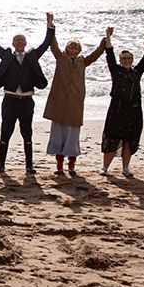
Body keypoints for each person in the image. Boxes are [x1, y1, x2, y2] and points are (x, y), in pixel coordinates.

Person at [0, 13, 56, 174]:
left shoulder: (32, 56)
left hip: (26, 101)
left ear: (26, 43)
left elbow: (46, 44)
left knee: (27, 132)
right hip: (10, 100)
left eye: (22, 40)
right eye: (17, 40)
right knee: (6, 132)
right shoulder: (7, 56)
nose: (20, 42)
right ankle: (1, 165)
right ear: (13, 44)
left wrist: (50, 24)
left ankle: (29, 165)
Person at [43, 26, 107, 175]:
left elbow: (95, 55)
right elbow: (53, 45)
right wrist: (51, 26)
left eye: (76, 49)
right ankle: (59, 165)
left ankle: (71, 165)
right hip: (59, 102)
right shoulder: (60, 58)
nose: (73, 51)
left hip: (74, 103)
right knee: (58, 134)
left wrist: (104, 42)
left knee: (73, 136)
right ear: (67, 49)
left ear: (79, 51)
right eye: (71, 48)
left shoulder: (82, 61)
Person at [99, 26, 144, 177]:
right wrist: (108, 36)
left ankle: (125, 167)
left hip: (133, 109)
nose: (127, 61)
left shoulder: (137, 72)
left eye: (129, 58)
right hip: (117, 109)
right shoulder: (115, 70)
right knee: (112, 137)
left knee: (130, 139)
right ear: (120, 60)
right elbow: (109, 53)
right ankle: (105, 167)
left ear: (132, 60)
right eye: (124, 58)